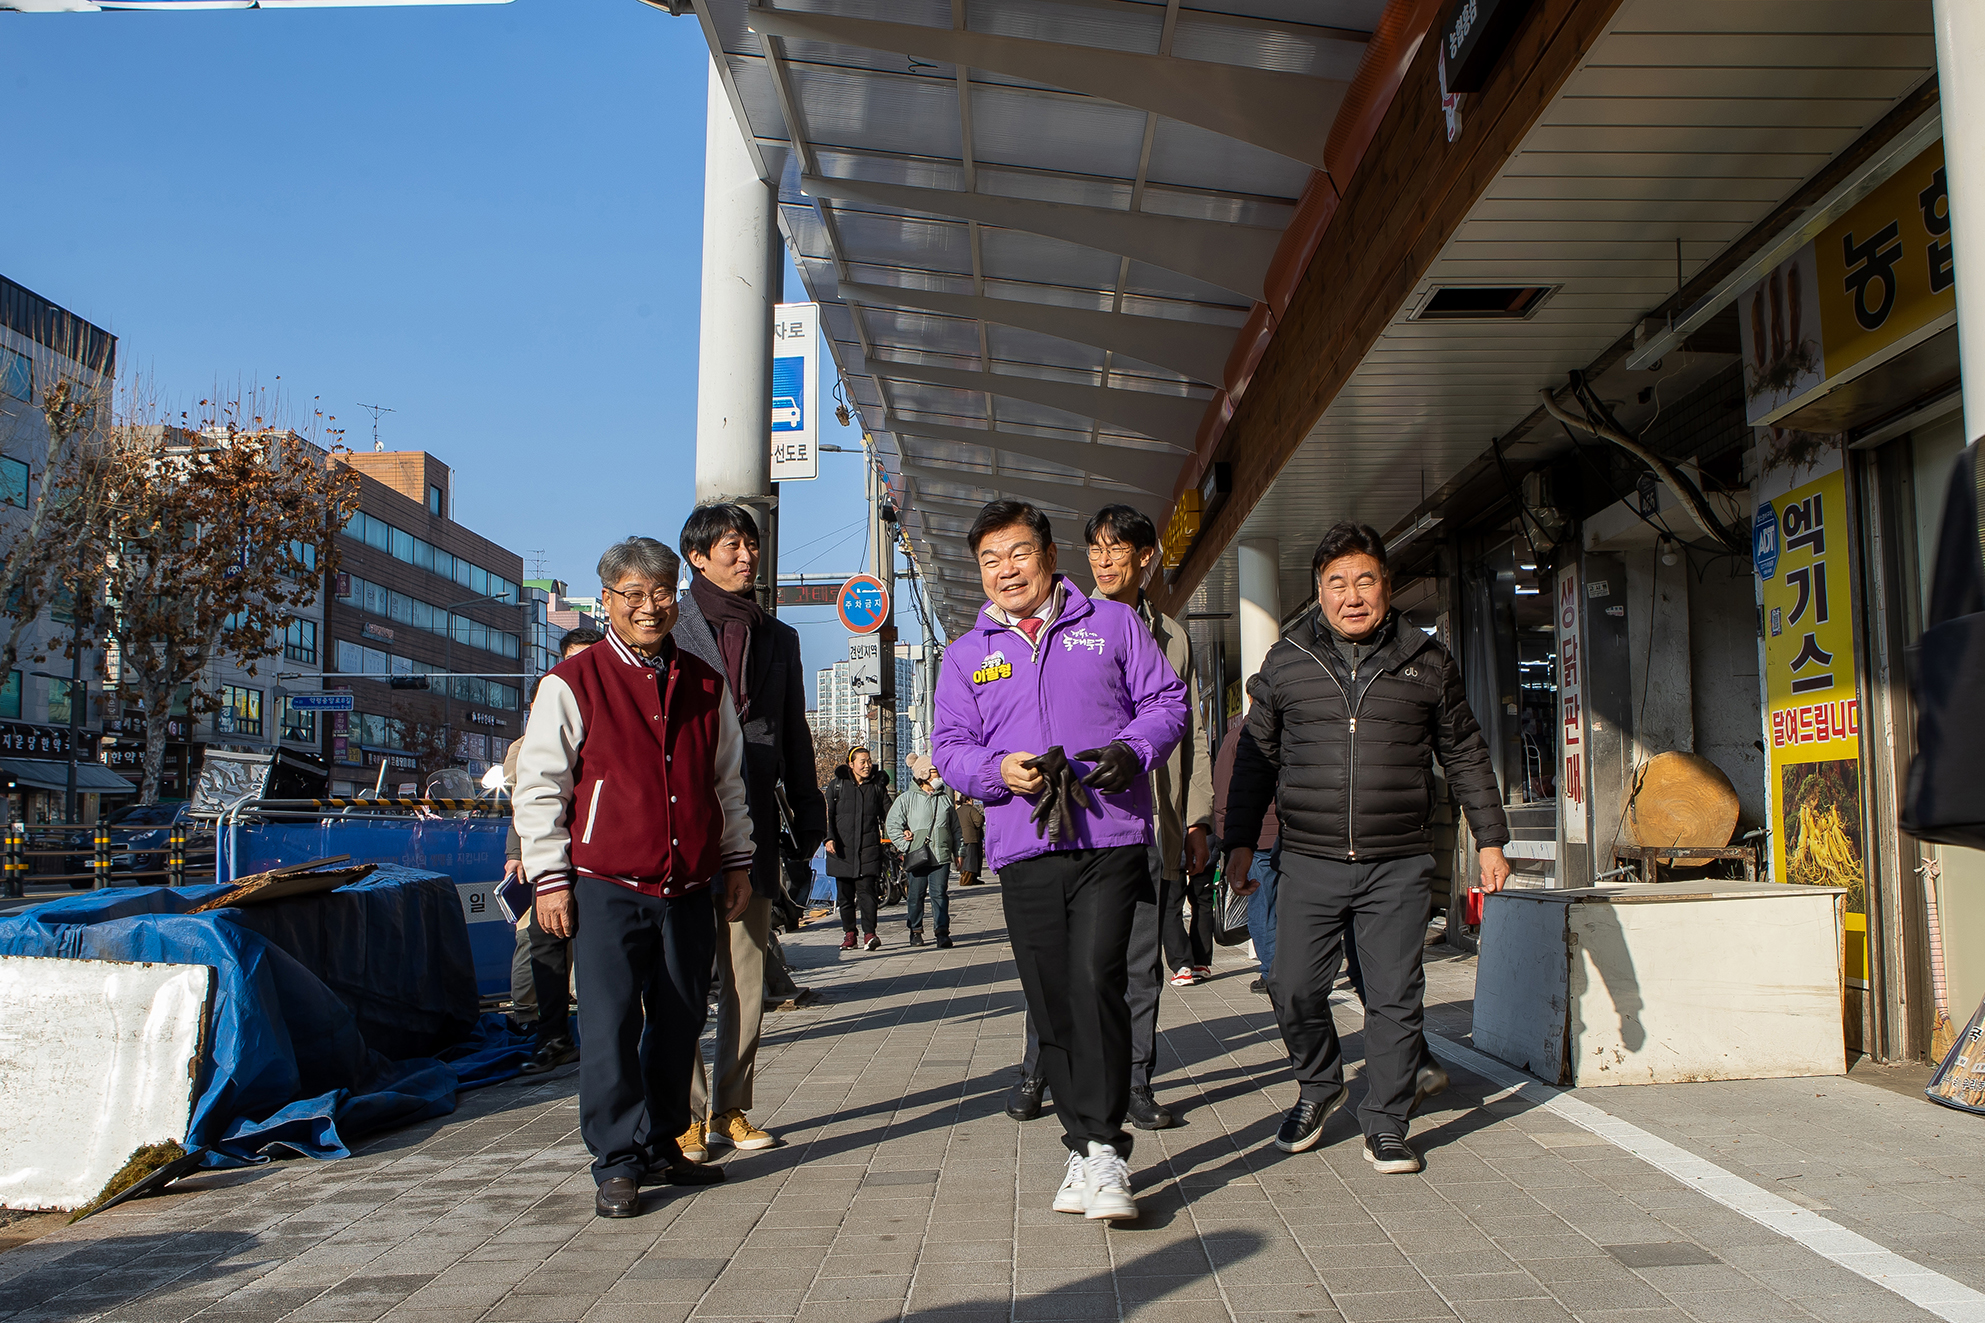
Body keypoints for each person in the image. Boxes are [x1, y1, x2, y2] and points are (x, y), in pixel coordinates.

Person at [1223, 522, 1511, 1176]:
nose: (1351, 596)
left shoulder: (1426, 659)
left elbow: (1463, 750)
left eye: (1364, 581)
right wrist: (1238, 840)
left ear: (1386, 586)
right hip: (1307, 860)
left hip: (1396, 862)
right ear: (1317, 592)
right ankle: (1320, 1085)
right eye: (1336, 583)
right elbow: (1254, 762)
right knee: (1292, 985)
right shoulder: (1287, 659)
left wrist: (1490, 837)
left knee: (1393, 996)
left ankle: (1385, 1120)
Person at [932, 499, 1187, 1223]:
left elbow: (1167, 701)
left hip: (1108, 835)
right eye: (990, 559)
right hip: (1025, 843)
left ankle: (1104, 1145)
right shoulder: (965, 654)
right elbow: (949, 746)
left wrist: (1130, 751)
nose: (1004, 570)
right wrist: (994, 772)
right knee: (1048, 994)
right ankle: (1081, 1146)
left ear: (1046, 555)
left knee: (1093, 978)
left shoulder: (1111, 624)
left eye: (1016, 553)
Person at [514, 536, 753, 1219]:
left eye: (660, 594)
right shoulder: (572, 681)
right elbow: (539, 788)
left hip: (686, 884)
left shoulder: (706, 684)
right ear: (609, 600)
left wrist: (736, 860)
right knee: (610, 1024)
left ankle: (661, 1142)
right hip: (604, 883)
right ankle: (616, 1158)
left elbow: (726, 783)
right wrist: (549, 879)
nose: (649, 608)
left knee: (679, 1021)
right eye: (633, 595)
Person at [1007, 504, 1210, 1132]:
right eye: (1094, 547)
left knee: (1140, 958)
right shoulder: (1064, 621)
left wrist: (1197, 819)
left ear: (1145, 557)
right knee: (1061, 956)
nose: (1103, 558)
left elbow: (1191, 731)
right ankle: (1042, 1065)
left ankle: (1137, 1079)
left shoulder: (1172, 637)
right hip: (1074, 822)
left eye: (1117, 548)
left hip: (1148, 823)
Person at [671, 504, 827, 1161]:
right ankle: (684, 1113)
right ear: (697, 557)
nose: (746, 556)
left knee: (744, 971)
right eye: (731, 545)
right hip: (682, 819)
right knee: (678, 974)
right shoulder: (668, 628)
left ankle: (730, 1109)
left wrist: (809, 810)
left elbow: (793, 728)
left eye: (750, 544)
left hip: (754, 819)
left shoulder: (778, 637)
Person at [507, 627, 603, 1074]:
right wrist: (520, 852)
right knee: (543, 943)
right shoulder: (537, 729)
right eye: (572, 661)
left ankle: (608, 1037)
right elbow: (526, 799)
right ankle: (553, 1036)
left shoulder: (613, 714)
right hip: (552, 858)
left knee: (599, 953)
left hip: (602, 857)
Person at [1212, 717, 1279, 995]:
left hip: (1259, 835)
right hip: (1292, 831)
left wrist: (1226, 834)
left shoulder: (1238, 736)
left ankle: (1271, 972)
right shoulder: (1295, 725)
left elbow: (1224, 786)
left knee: (1261, 905)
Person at [886, 754, 959, 947]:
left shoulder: (945, 799)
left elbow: (956, 829)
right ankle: (915, 930)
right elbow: (892, 824)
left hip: (941, 855)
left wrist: (960, 852)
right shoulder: (906, 799)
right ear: (923, 774)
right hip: (917, 855)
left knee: (940, 894)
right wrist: (905, 844)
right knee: (915, 895)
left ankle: (942, 932)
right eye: (934, 772)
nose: (938, 776)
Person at [825, 747, 891, 950]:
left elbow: (889, 812)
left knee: (867, 895)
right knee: (845, 897)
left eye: (869, 761)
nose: (867, 765)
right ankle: (850, 934)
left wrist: (901, 831)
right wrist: (828, 838)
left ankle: (870, 934)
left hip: (868, 849)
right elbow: (826, 815)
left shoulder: (877, 787)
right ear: (851, 764)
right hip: (842, 850)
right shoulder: (837, 786)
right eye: (862, 761)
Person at [953, 792, 985, 885]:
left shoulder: (958, 811)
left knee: (964, 860)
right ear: (968, 800)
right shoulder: (971, 810)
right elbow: (978, 821)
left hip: (960, 839)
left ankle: (969, 878)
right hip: (972, 838)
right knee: (972, 860)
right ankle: (968, 880)